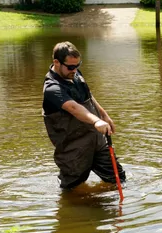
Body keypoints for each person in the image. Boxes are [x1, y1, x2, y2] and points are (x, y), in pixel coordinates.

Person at [43, 41, 126, 189]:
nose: (74, 70)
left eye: (77, 65)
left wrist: (104, 115)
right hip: (74, 149)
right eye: (70, 67)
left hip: (97, 141)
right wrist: (96, 121)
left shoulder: (74, 73)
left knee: (118, 178)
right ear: (56, 62)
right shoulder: (52, 88)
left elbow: (88, 95)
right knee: (73, 189)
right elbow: (74, 108)